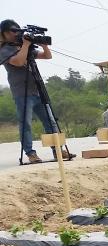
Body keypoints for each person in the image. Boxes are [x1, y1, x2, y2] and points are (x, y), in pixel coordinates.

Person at [0, 19, 72, 164]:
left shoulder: (22, 46)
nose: (16, 34)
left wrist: (44, 46)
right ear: (5, 33)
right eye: (14, 31)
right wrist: (26, 45)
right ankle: (30, 153)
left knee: (50, 122)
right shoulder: (4, 49)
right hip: (22, 92)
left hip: (37, 90)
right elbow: (19, 62)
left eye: (18, 31)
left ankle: (57, 150)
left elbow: (47, 56)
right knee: (25, 124)